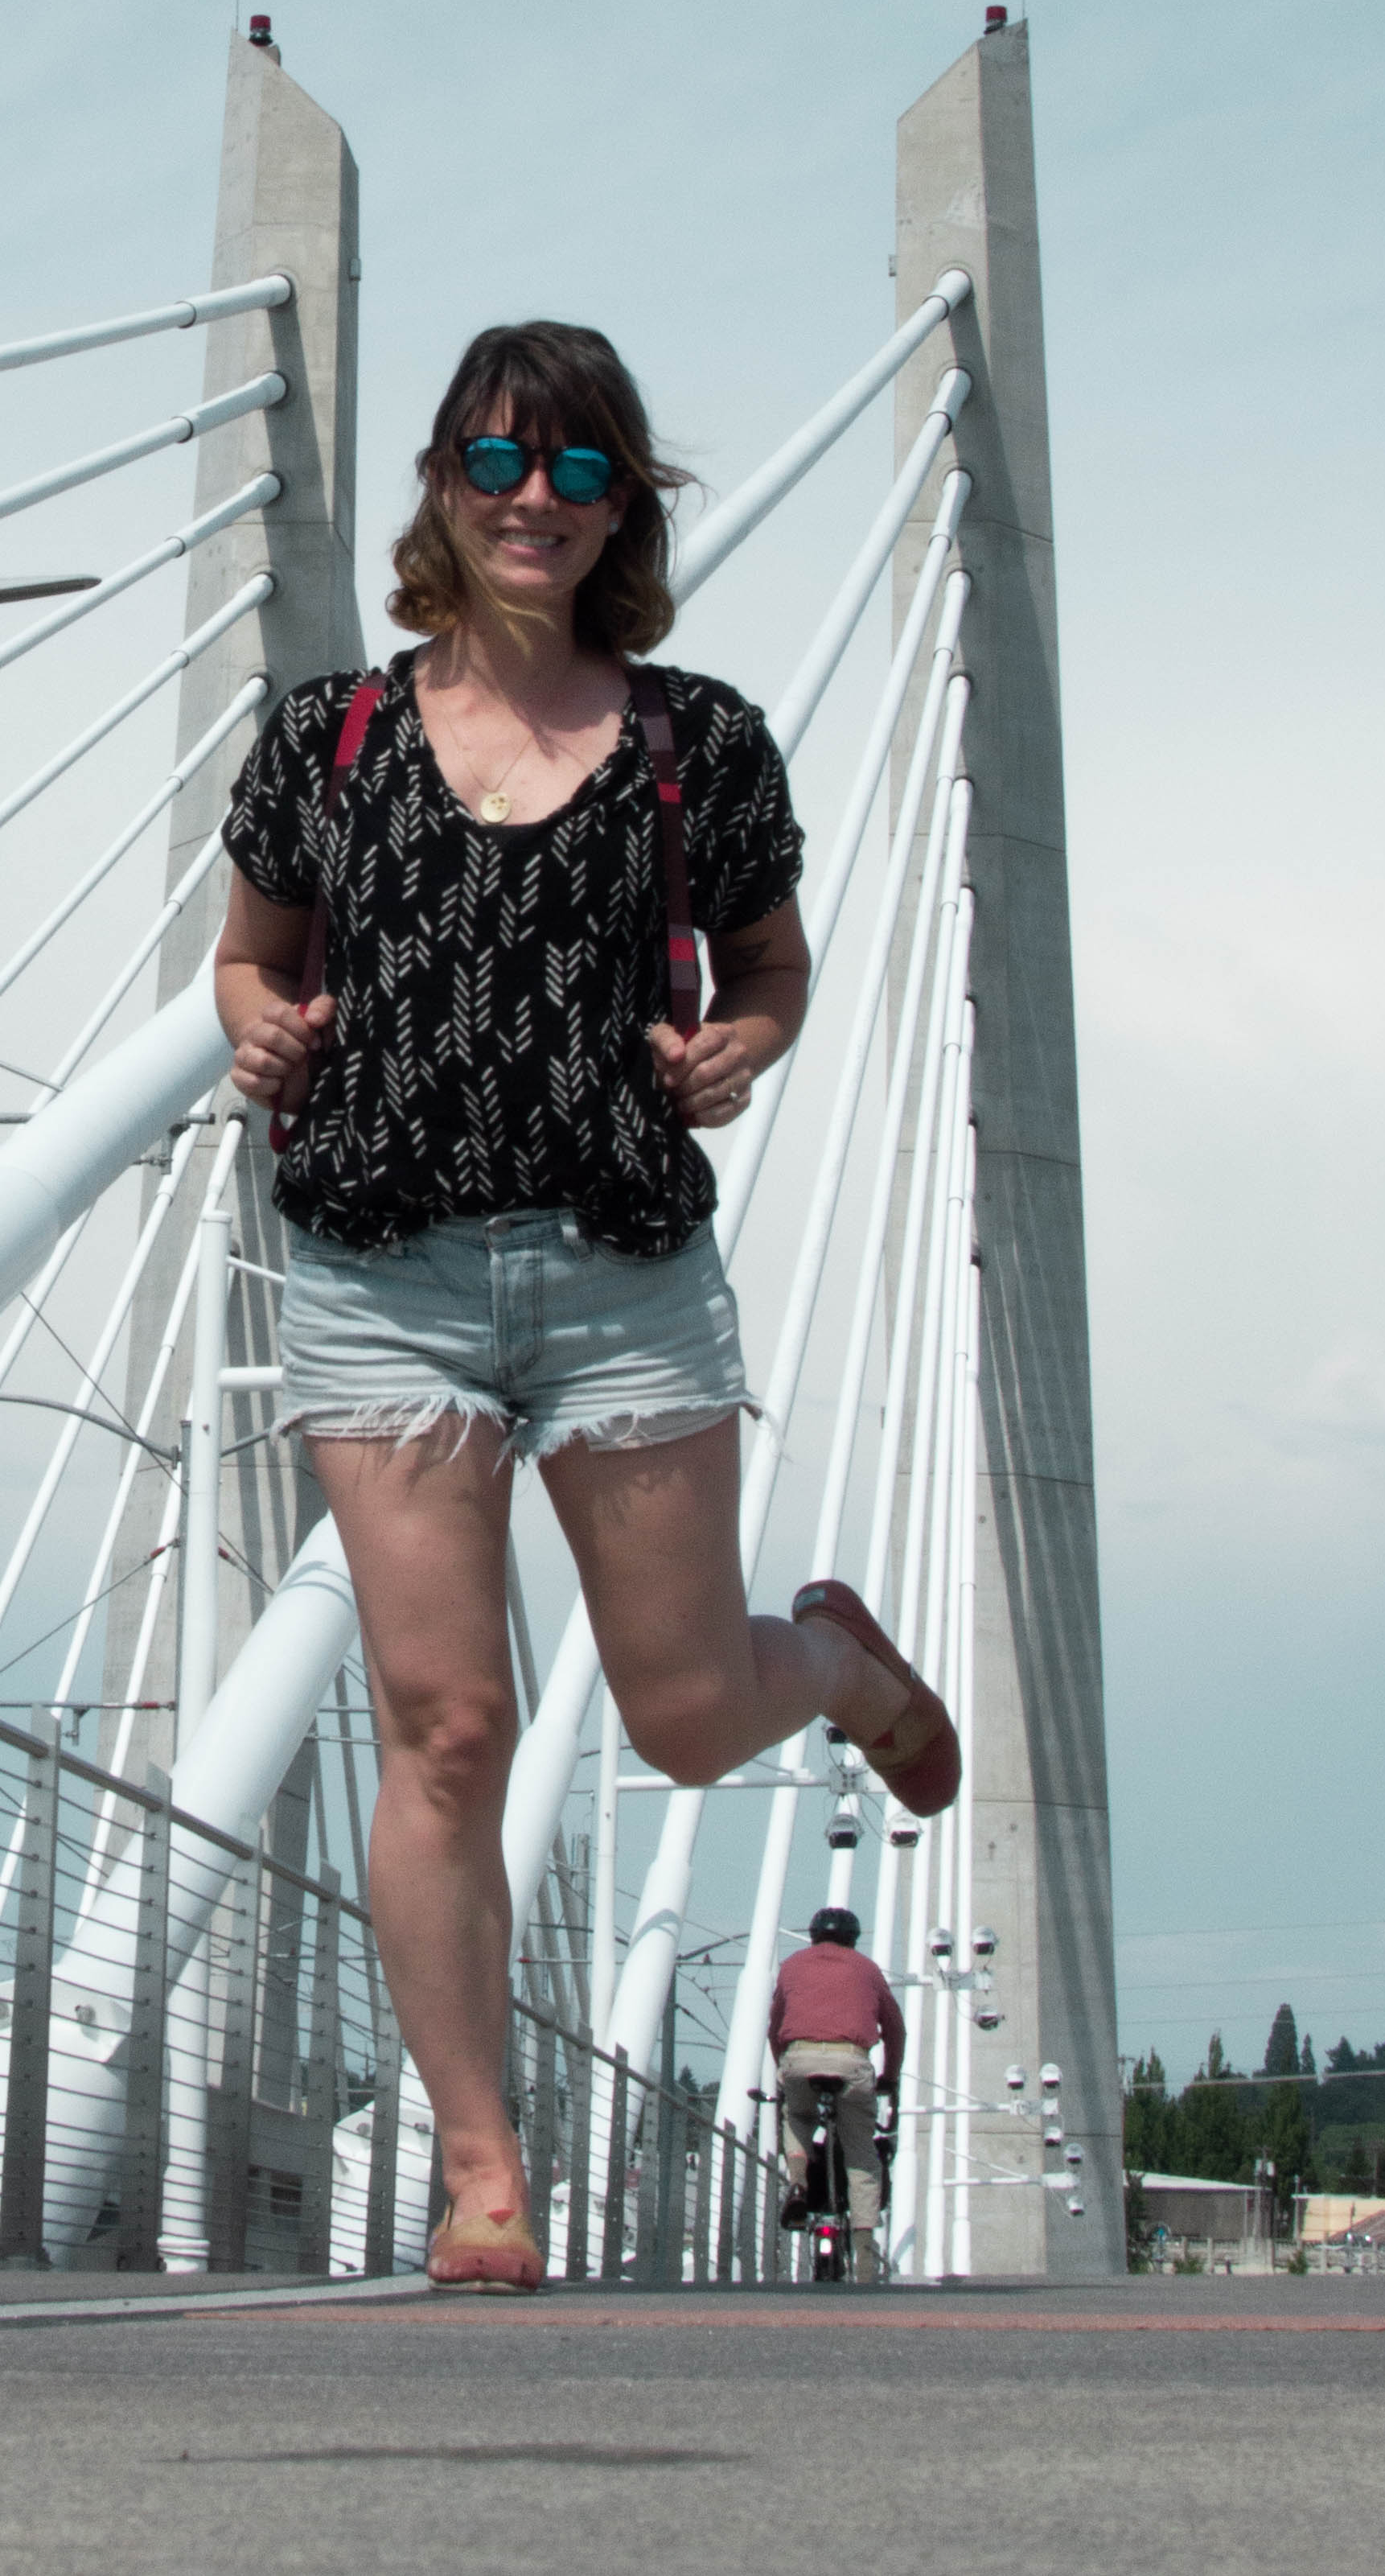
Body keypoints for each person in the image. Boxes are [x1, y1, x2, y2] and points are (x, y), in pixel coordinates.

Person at [216, 318, 960, 2292]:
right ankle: (479, 2168)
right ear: (442, 488)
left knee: (691, 1714)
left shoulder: (695, 740)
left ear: (621, 505)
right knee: (445, 1722)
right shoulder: (330, 737)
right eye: (495, 461)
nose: (532, 501)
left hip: (621, 1269)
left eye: (576, 470)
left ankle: (832, 1661)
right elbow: (245, 958)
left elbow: (774, 967)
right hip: (384, 1270)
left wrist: (745, 1048)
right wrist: (260, 1030)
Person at [769, 1902, 905, 2261]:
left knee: (796, 2117)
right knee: (861, 2153)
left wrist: (784, 2070)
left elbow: (774, 2027)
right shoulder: (868, 1969)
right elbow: (895, 2030)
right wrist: (890, 2078)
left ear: (813, 1936)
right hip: (852, 2062)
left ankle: (798, 2182)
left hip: (799, 2057)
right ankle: (863, 2254)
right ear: (853, 1940)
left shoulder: (792, 1966)